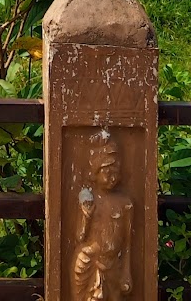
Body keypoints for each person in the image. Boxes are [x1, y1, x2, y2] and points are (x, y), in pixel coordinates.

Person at [72, 128, 133, 301]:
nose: (112, 177)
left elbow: (128, 241)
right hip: (88, 261)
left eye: (115, 171)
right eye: (106, 171)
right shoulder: (89, 200)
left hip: (114, 263)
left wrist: (127, 272)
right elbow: (79, 236)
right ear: (95, 173)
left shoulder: (125, 203)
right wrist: (86, 216)